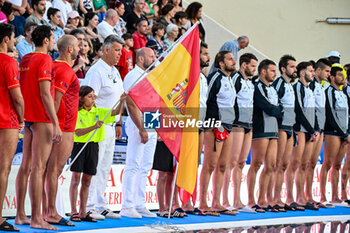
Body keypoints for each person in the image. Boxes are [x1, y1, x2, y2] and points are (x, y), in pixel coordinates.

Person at [15, 25, 61, 230]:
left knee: (25, 167)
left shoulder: (25, 59)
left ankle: (20, 215)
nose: (54, 42)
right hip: (41, 117)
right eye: (52, 38)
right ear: (45, 40)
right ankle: (36, 218)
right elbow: (45, 94)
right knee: (38, 168)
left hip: (27, 116)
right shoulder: (45, 60)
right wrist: (56, 122)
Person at [82, 35, 124, 220]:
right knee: (94, 166)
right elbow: (88, 99)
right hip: (97, 124)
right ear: (106, 49)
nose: (119, 54)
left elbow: (119, 99)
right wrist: (95, 123)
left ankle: (100, 203)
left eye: (121, 51)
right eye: (116, 50)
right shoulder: (96, 71)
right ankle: (89, 205)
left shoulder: (115, 71)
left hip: (111, 124)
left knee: (106, 167)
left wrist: (119, 122)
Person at [69, 86, 124, 222]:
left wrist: (122, 101)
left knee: (87, 180)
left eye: (94, 96)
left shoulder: (98, 111)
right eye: (90, 96)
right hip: (80, 145)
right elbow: (77, 132)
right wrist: (94, 126)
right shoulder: (77, 113)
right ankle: (73, 211)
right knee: (76, 179)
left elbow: (115, 112)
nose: (93, 99)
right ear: (81, 98)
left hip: (93, 147)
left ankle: (83, 212)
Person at [43, 35, 80, 227]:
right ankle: (50, 212)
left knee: (49, 171)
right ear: (69, 49)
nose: (81, 48)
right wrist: (56, 124)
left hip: (61, 124)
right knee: (54, 170)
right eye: (78, 46)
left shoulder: (58, 67)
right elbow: (56, 100)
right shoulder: (64, 69)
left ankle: (46, 210)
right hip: (63, 126)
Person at [120, 47, 157, 219]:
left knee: (145, 166)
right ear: (141, 59)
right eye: (151, 56)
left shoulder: (152, 75)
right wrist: (141, 128)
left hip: (152, 120)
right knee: (133, 164)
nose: (154, 59)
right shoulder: (132, 76)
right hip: (138, 123)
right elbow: (131, 103)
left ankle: (139, 203)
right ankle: (127, 205)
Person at [198, 51, 236, 216]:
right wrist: (213, 123)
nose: (233, 61)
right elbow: (206, 100)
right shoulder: (215, 77)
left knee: (222, 165)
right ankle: (203, 203)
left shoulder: (230, 79)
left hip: (228, 126)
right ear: (221, 63)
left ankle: (216, 202)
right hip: (215, 125)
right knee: (210, 165)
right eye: (230, 59)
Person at [222, 53, 257, 213]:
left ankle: (237, 199)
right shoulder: (235, 79)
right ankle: (225, 199)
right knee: (232, 161)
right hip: (236, 124)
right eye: (252, 66)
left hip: (248, 124)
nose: (254, 69)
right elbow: (231, 100)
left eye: (256, 66)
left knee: (241, 162)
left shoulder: (250, 83)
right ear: (244, 65)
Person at [247, 59, 282, 213]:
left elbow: (280, 107)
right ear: (263, 72)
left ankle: (264, 199)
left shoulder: (273, 89)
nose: (275, 74)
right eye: (272, 70)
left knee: (271, 165)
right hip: (261, 130)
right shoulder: (258, 87)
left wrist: (276, 110)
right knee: (256, 164)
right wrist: (276, 110)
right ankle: (251, 200)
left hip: (273, 131)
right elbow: (266, 106)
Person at [0, 23, 24, 233]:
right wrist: (23, 117)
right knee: (3, 169)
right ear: (6, 39)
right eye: (14, 37)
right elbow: (16, 96)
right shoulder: (8, 61)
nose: (15, 40)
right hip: (6, 119)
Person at [286, 62, 319, 210]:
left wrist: (316, 129)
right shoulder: (297, 87)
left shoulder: (309, 89)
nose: (313, 74)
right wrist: (311, 129)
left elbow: (314, 111)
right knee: (295, 164)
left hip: (310, 131)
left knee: (305, 165)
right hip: (300, 130)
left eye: (313, 71)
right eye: (310, 71)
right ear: (302, 73)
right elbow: (298, 111)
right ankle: (289, 197)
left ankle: (301, 197)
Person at [181, 42, 209, 216]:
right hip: (189, 122)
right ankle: (182, 201)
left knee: (195, 163)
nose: (208, 57)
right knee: (186, 162)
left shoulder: (203, 77)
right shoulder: (188, 76)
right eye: (204, 54)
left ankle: (191, 199)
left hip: (201, 122)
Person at [270, 55, 298, 211]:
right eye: (292, 67)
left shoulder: (290, 86)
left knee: (284, 165)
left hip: (290, 127)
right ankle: (271, 197)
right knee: (276, 164)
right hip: (281, 128)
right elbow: (274, 104)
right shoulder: (279, 83)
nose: (295, 69)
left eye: (295, 67)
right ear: (283, 69)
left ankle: (279, 197)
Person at [320, 66, 350, 206]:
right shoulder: (329, 92)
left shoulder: (343, 94)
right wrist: (343, 132)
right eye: (338, 75)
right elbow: (331, 114)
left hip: (344, 133)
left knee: (337, 165)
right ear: (332, 77)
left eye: (342, 75)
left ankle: (336, 196)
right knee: (327, 164)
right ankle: (322, 196)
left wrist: (347, 132)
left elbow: (347, 115)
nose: (341, 77)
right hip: (333, 132)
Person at [306, 58, 332, 207]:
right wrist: (314, 128)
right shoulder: (311, 86)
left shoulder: (322, 87)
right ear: (318, 70)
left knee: (312, 163)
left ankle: (309, 195)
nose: (328, 74)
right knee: (306, 163)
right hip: (313, 129)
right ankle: (304, 196)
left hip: (320, 128)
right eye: (327, 71)